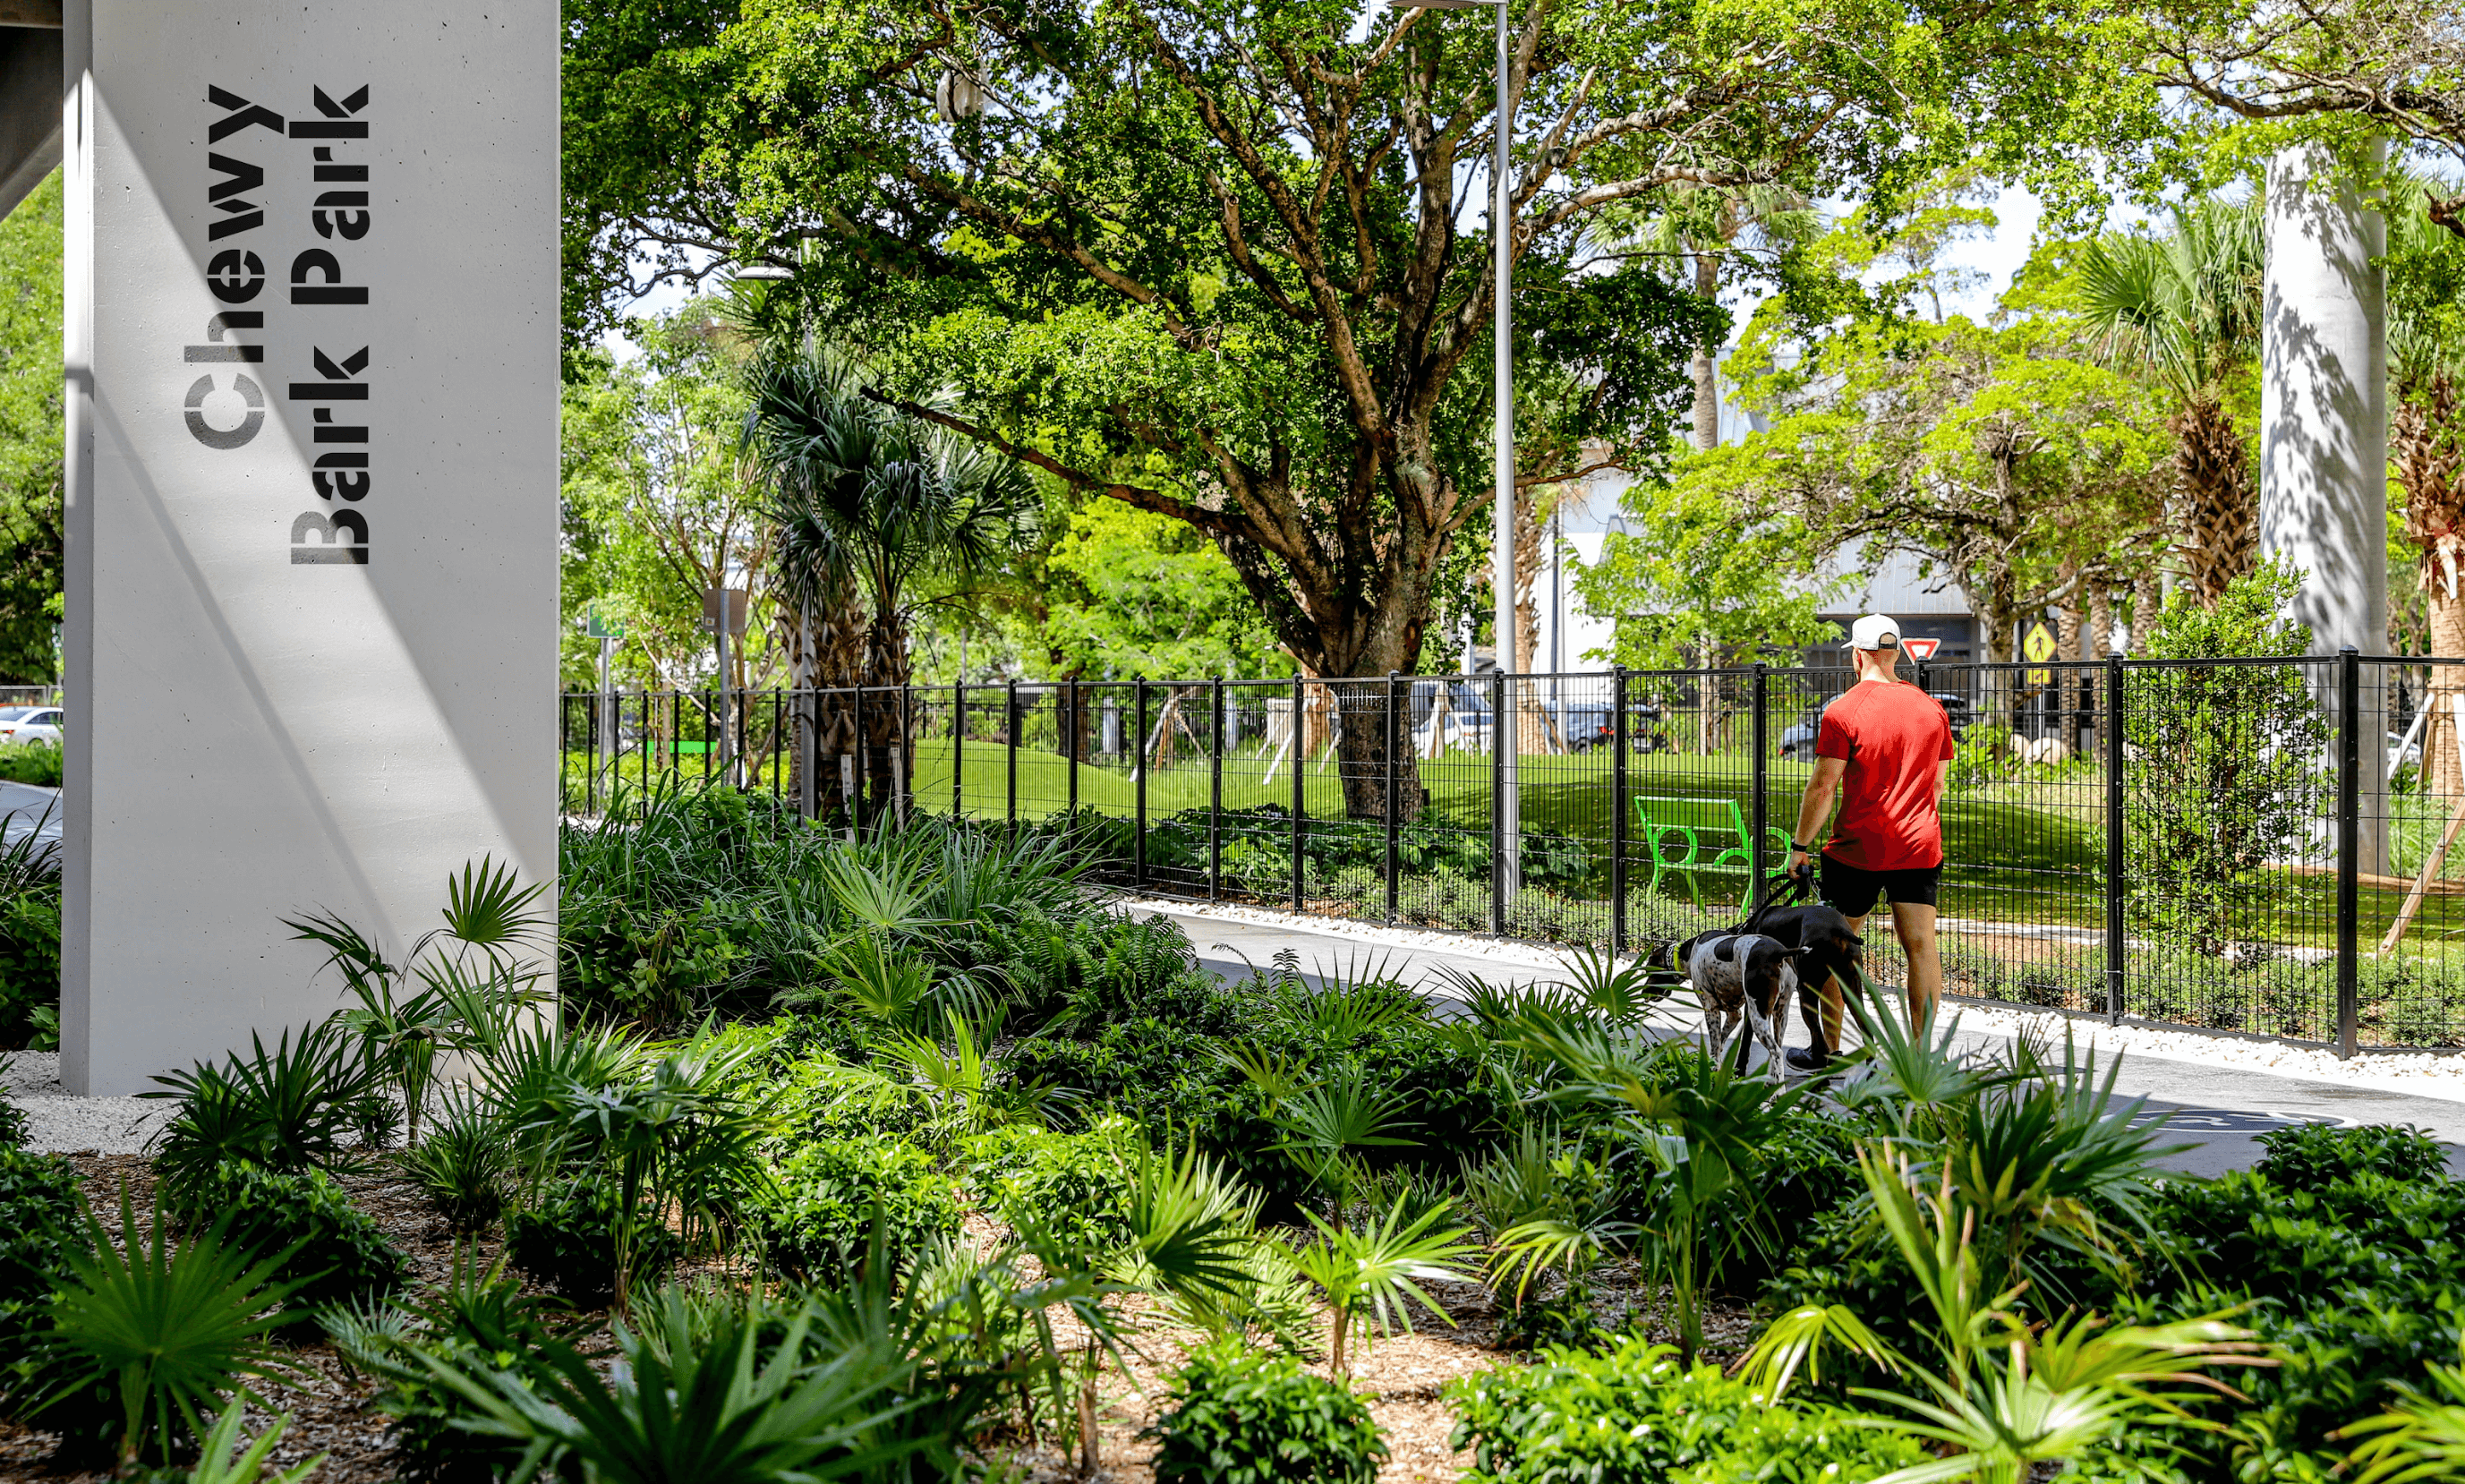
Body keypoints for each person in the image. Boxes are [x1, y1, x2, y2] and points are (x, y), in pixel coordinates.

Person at [1783, 614, 1956, 1070]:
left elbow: (1823, 788)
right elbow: (1936, 787)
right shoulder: (1932, 709)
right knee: (1921, 946)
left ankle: (1831, 1052)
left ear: (1857, 656)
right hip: (1918, 846)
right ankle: (1920, 1056)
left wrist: (1800, 846)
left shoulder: (1843, 711)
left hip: (1857, 849)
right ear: (1896, 652)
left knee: (1836, 947)